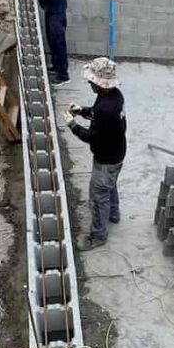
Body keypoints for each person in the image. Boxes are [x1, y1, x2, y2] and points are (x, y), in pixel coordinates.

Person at [66, 58, 127, 251]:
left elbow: (91, 137)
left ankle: (99, 235)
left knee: (98, 194)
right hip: (117, 153)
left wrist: (72, 125)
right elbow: (98, 114)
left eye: (92, 81)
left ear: (100, 83)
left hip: (106, 158)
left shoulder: (105, 108)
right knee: (110, 184)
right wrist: (82, 111)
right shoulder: (115, 96)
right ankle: (114, 214)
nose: (89, 83)